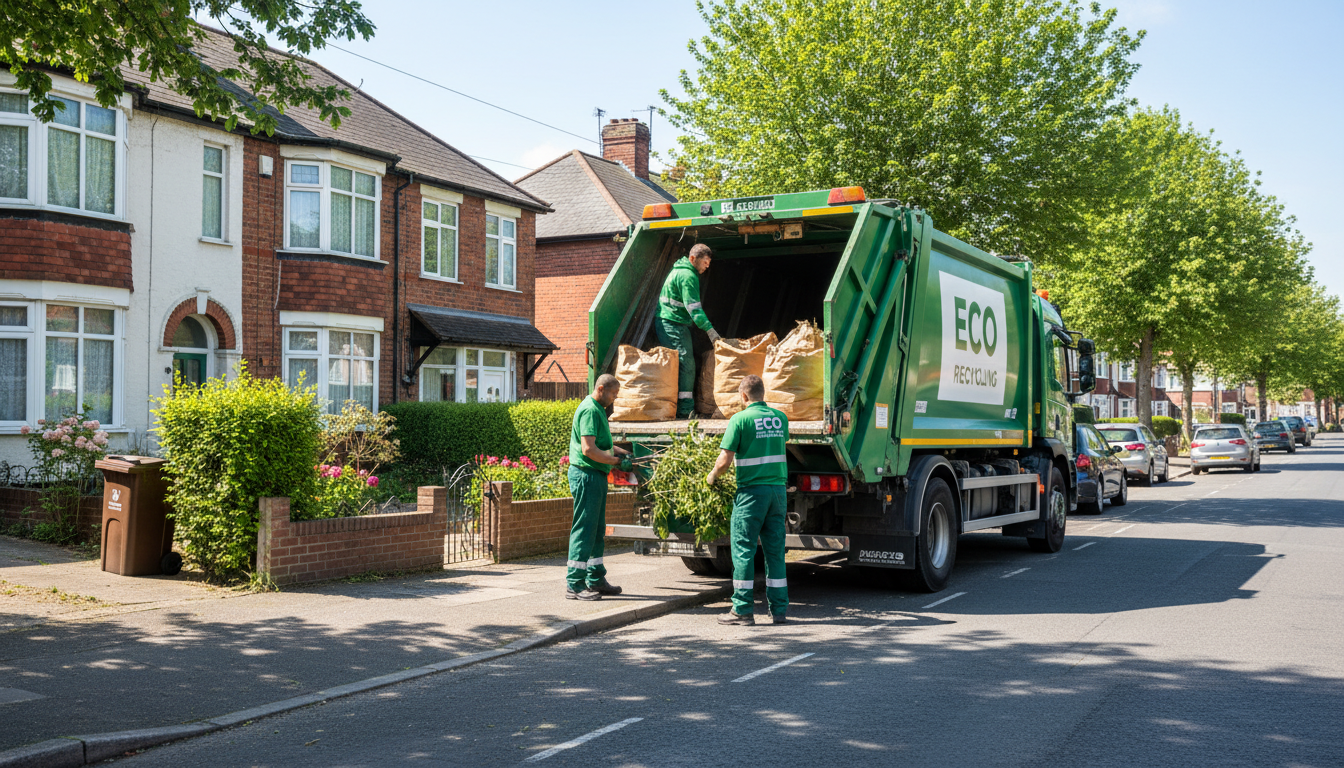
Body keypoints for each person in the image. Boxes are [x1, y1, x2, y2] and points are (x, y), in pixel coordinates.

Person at [706, 374, 790, 625]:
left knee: (743, 551)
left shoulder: (739, 420)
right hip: (778, 492)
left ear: (743, 396)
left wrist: (711, 477)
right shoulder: (780, 418)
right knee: (775, 553)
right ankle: (779, 610)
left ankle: (742, 610)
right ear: (763, 394)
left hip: (751, 493)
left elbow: (724, 460)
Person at [566, 373, 632, 601]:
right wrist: (616, 462)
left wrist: (621, 452)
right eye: (613, 393)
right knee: (585, 528)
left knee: (596, 529)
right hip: (586, 475)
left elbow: (602, 444)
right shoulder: (590, 410)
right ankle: (574, 583)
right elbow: (589, 450)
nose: (615, 398)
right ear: (601, 389)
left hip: (595, 476)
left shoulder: (598, 410)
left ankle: (595, 578)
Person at [656, 242, 721, 418]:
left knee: (683, 363)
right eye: (705, 261)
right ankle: (685, 410)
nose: (707, 266)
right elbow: (694, 309)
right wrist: (710, 331)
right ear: (693, 259)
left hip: (672, 322)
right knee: (686, 364)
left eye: (709, 262)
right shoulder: (688, 276)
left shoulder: (680, 271)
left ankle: (680, 406)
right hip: (672, 323)